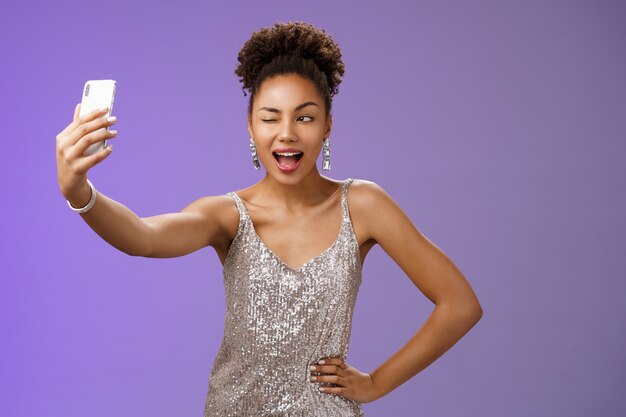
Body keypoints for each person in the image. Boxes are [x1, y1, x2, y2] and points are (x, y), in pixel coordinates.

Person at [56, 21, 483, 417]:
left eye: (305, 117)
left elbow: (460, 305)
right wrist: (80, 192)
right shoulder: (226, 214)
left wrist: (376, 383)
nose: (287, 133)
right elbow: (144, 237)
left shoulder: (363, 205)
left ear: (327, 126)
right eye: (270, 117)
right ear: (250, 126)